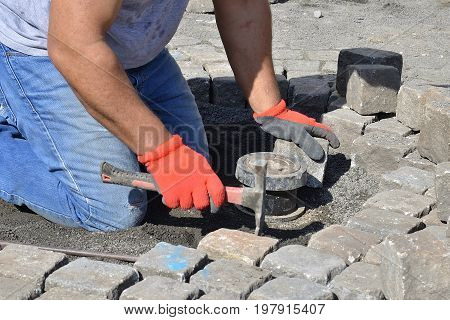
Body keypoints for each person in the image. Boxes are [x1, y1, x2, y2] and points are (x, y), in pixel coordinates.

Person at [0, 0, 339, 232]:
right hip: (45, 49)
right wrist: (163, 152)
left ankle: (38, 117)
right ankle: (18, 107)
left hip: (138, 55)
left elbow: (243, 5)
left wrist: (270, 108)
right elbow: (75, 47)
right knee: (113, 210)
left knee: (193, 168)